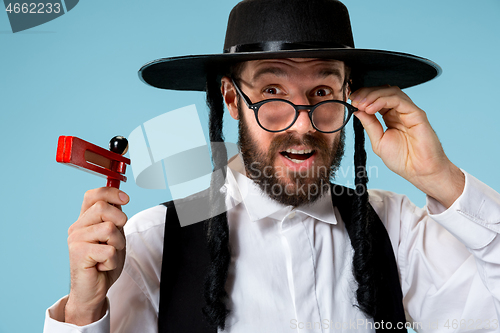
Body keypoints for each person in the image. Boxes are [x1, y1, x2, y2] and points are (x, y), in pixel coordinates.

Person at [44, 0, 500, 332]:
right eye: (271, 92)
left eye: (322, 92)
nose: (301, 124)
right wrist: (84, 310)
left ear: (352, 96)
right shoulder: (154, 241)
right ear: (231, 99)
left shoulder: (396, 228)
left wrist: (442, 180)